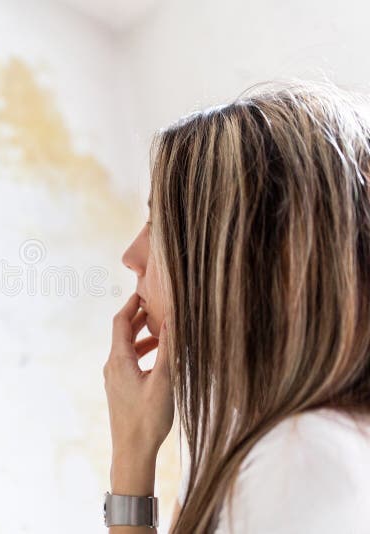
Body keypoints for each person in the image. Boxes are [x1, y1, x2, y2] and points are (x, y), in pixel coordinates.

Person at [103, 81, 370, 533]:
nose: (132, 255)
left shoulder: (301, 460)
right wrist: (135, 448)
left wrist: (130, 454)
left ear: (249, 254)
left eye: (159, 222)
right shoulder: (271, 446)